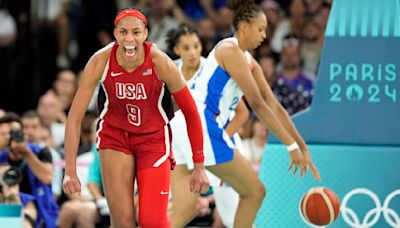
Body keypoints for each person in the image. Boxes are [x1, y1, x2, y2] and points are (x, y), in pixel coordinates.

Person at [171, 0, 321, 227]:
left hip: (183, 126)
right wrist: (289, 146)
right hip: (200, 125)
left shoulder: (248, 60)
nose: (264, 34)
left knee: (184, 211)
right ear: (243, 27)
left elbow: (274, 105)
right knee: (255, 192)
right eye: (260, 29)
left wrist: (301, 146)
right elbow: (258, 105)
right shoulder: (230, 50)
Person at [62, 8, 209, 228]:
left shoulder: (161, 61)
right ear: (115, 34)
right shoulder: (100, 61)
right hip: (115, 137)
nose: (129, 39)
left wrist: (199, 166)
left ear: (146, 34)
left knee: (152, 222)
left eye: (136, 32)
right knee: (123, 223)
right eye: (123, 32)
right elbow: (74, 118)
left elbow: (191, 113)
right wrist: (70, 171)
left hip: (153, 140)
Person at [166, 25, 248, 228]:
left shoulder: (212, 71)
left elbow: (242, 114)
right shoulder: (169, 72)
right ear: (177, 50)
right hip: (188, 148)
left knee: (233, 219)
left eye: (196, 46)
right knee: (182, 211)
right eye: (186, 48)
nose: (193, 52)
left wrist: (217, 144)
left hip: (221, 145)